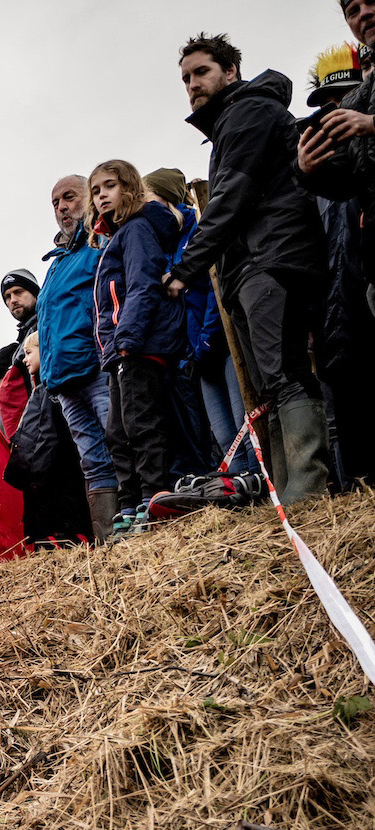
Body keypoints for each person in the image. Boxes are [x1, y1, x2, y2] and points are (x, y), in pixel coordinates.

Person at [166, 32, 331, 505]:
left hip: (274, 258)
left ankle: (307, 493)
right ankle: (287, 492)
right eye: (185, 78)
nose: (192, 84)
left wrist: (185, 267)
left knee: (286, 372)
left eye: (201, 72)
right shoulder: (227, 126)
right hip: (249, 266)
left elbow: (230, 199)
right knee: (267, 384)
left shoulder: (250, 111)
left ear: (230, 72)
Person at [90, 159, 190, 531]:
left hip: (139, 344)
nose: (102, 195)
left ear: (130, 188)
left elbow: (143, 285)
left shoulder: (136, 230)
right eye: (96, 190)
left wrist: (127, 338)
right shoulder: (114, 239)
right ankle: (129, 502)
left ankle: (154, 494)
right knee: (117, 431)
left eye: (110, 186)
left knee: (140, 422)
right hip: (119, 349)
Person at [147, 165, 255, 476]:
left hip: (221, 343)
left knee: (242, 422)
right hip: (195, 352)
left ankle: (260, 483)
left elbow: (212, 287)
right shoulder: (163, 244)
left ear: (166, 198)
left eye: (150, 197)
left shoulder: (198, 229)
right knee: (223, 434)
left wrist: (209, 336)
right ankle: (238, 493)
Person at [301, 42, 375, 488]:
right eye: (327, 106)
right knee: (347, 414)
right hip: (335, 315)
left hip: (364, 292)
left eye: (342, 101)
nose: (335, 114)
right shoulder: (323, 178)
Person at [39, 174, 124, 544]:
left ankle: (136, 525)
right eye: (56, 203)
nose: (61, 208)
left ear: (88, 200)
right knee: (91, 457)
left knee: (119, 442)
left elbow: (110, 300)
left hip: (97, 368)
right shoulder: (55, 264)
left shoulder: (100, 244)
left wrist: (110, 352)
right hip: (63, 380)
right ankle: (108, 540)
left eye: (69, 198)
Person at [297, 0, 375, 321]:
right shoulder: (359, 103)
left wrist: (371, 124)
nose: (337, 107)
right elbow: (346, 184)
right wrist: (306, 168)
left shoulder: (362, 115)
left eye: (343, 93)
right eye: (353, 9)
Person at [3, 332, 92, 548]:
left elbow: (48, 434)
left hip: (53, 475)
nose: (25, 359)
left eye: (29, 353)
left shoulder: (49, 391)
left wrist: (36, 474)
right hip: (50, 472)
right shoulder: (42, 390)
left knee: (58, 520)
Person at [0, 269, 41, 436]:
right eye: (7, 296)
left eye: (18, 292)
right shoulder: (23, 339)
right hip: (29, 431)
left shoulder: (46, 326)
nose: (13, 300)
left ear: (35, 292)